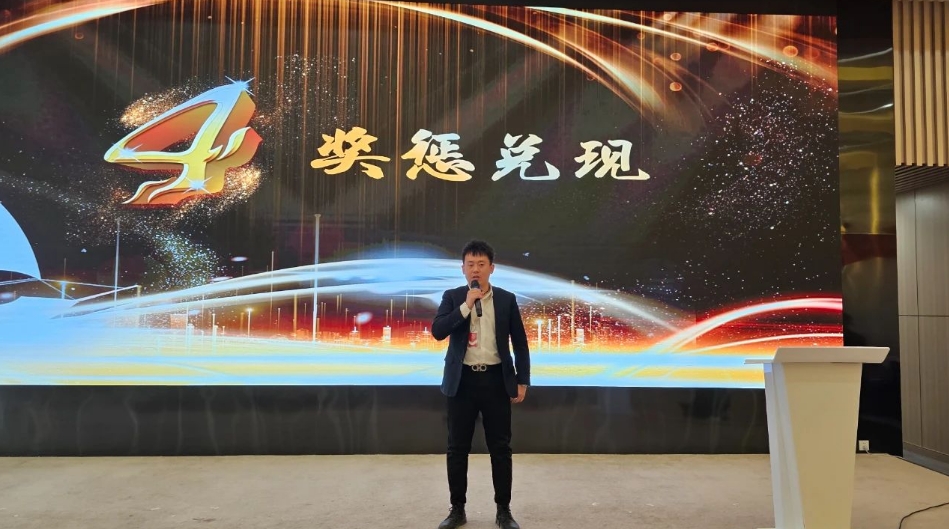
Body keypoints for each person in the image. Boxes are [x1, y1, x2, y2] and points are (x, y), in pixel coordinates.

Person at [432, 240, 530, 529]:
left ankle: (503, 510)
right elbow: (438, 331)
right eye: (470, 264)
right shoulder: (453, 297)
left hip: (495, 380)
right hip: (461, 381)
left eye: (481, 264)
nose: (476, 269)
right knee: (457, 448)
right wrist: (466, 305)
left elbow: (520, 344)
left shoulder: (506, 299)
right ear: (463, 269)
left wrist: (522, 380)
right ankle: (457, 509)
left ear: (492, 268)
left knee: (500, 447)